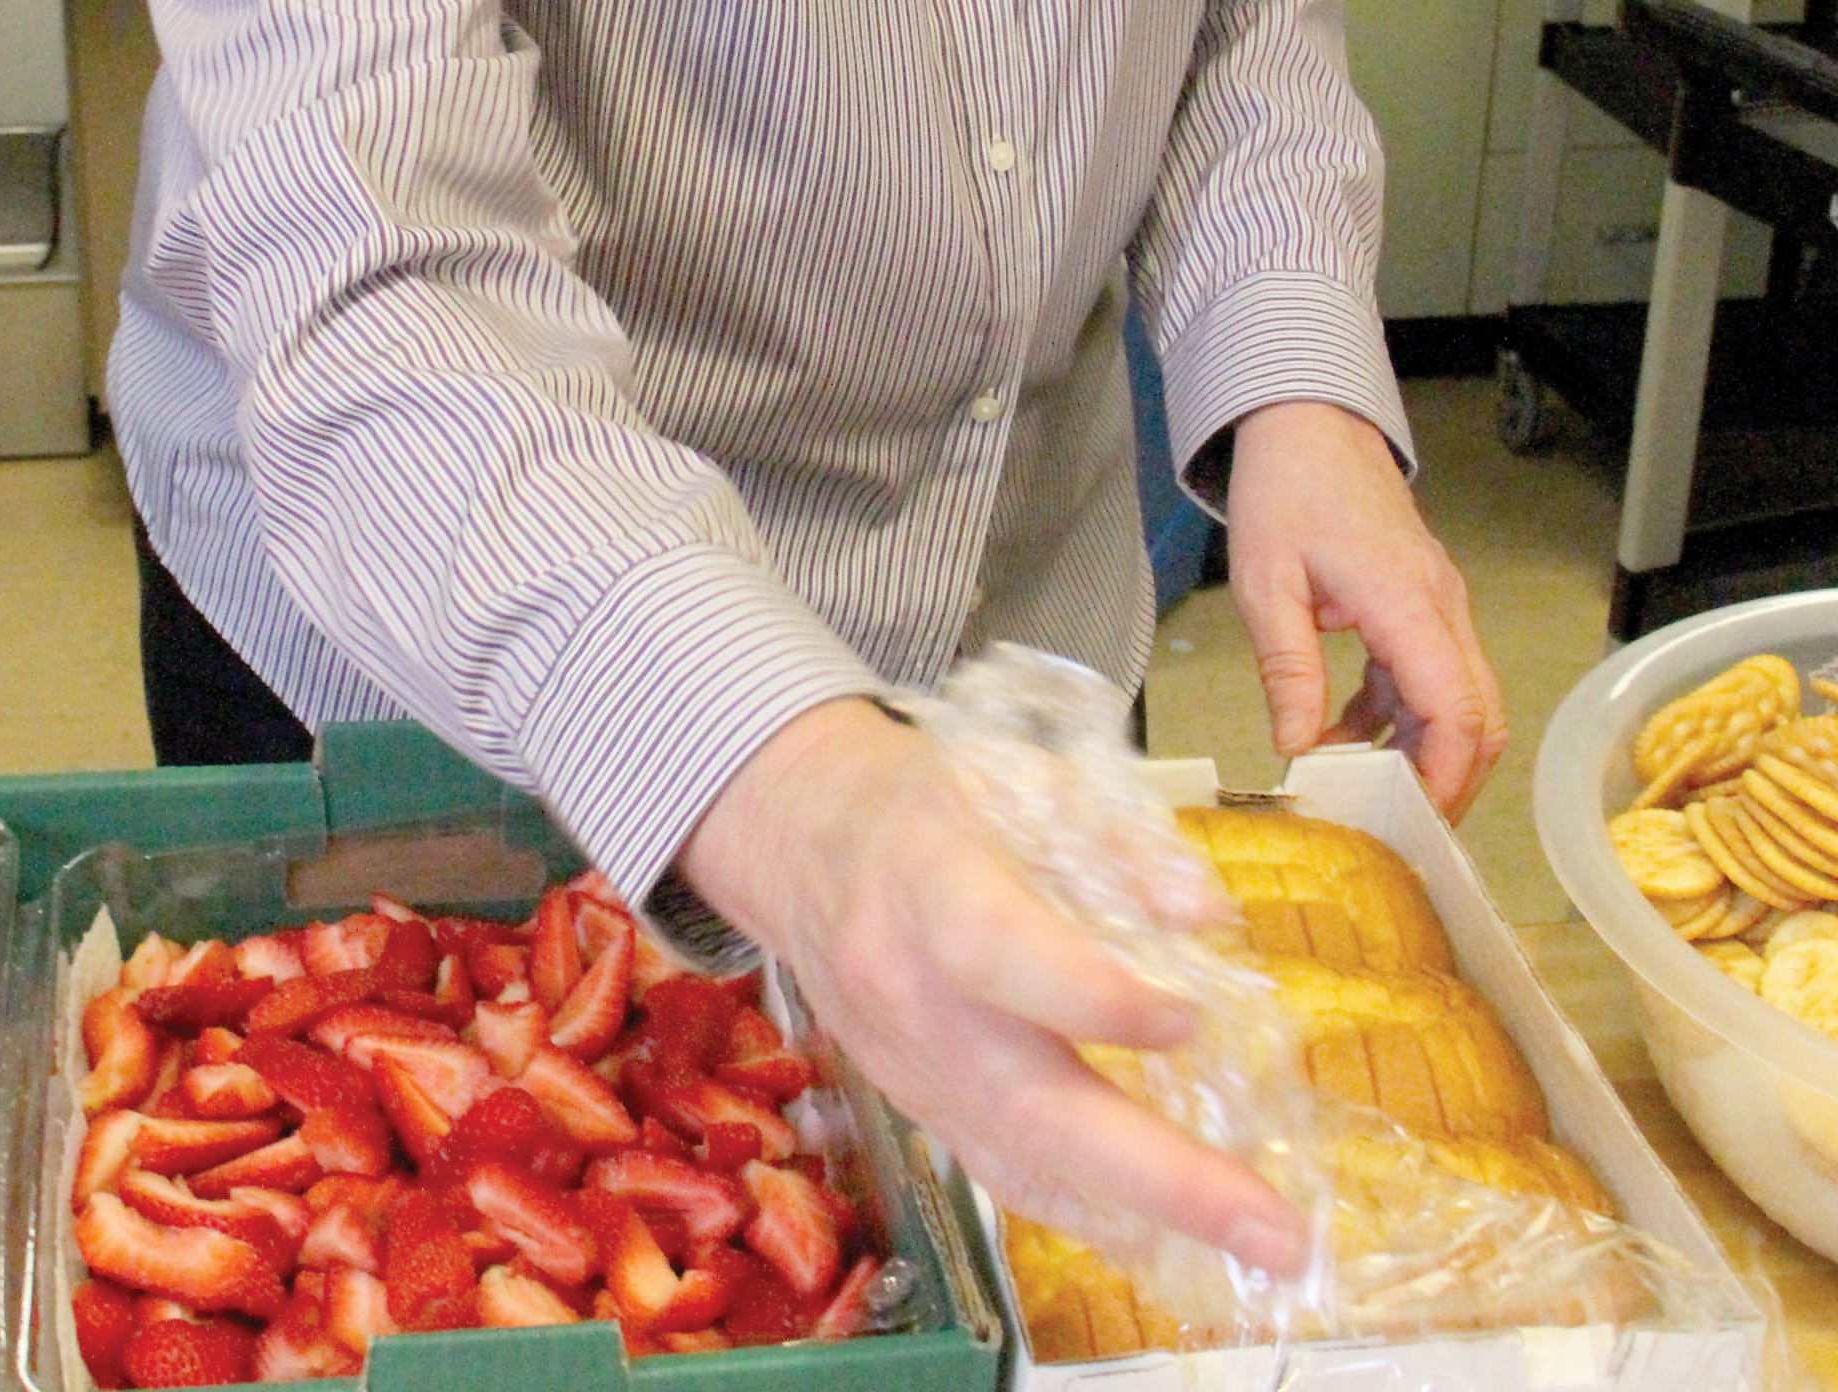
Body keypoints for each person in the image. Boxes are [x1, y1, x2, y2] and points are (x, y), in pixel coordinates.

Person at [112, 0, 1507, 1279]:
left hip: (1019, 615)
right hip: (473, 621)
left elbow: (1243, 30)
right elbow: (372, 251)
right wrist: (773, 779)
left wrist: (1289, 370)